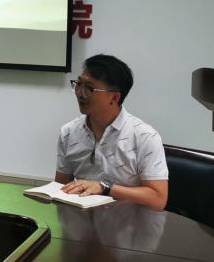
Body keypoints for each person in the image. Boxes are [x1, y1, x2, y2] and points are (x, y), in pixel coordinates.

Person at [54, 54, 168, 210]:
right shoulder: (68, 132)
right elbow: (60, 189)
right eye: (78, 84)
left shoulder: (144, 136)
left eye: (89, 88)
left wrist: (105, 187)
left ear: (114, 98)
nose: (80, 93)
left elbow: (158, 199)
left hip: (129, 223)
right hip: (80, 221)